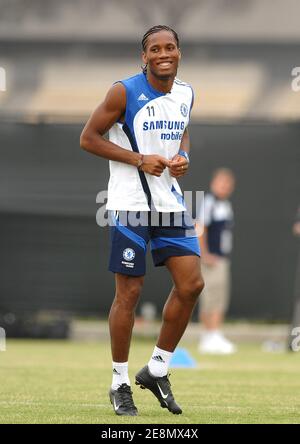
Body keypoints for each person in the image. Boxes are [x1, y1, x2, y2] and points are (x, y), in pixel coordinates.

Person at [80, 25, 204, 416]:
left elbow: (181, 132)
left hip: (170, 203)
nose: (163, 53)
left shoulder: (186, 92)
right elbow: (88, 137)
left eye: (170, 47)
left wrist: (183, 157)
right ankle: (119, 382)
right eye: (155, 49)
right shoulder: (124, 91)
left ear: (179, 53)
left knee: (192, 284)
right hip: (129, 204)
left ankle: (157, 369)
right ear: (144, 56)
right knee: (129, 295)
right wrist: (138, 159)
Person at [197, 168, 236, 354]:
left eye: (228, 184)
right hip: (212, 259)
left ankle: (213, 335)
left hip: (221, 258)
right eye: (222, 183)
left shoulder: (225, 204)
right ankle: (210, 335)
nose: (225, 187)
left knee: (219, 297)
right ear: (214, 184)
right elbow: (200, 227)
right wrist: (204, 254)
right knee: (211, 297)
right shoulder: (209, 202)